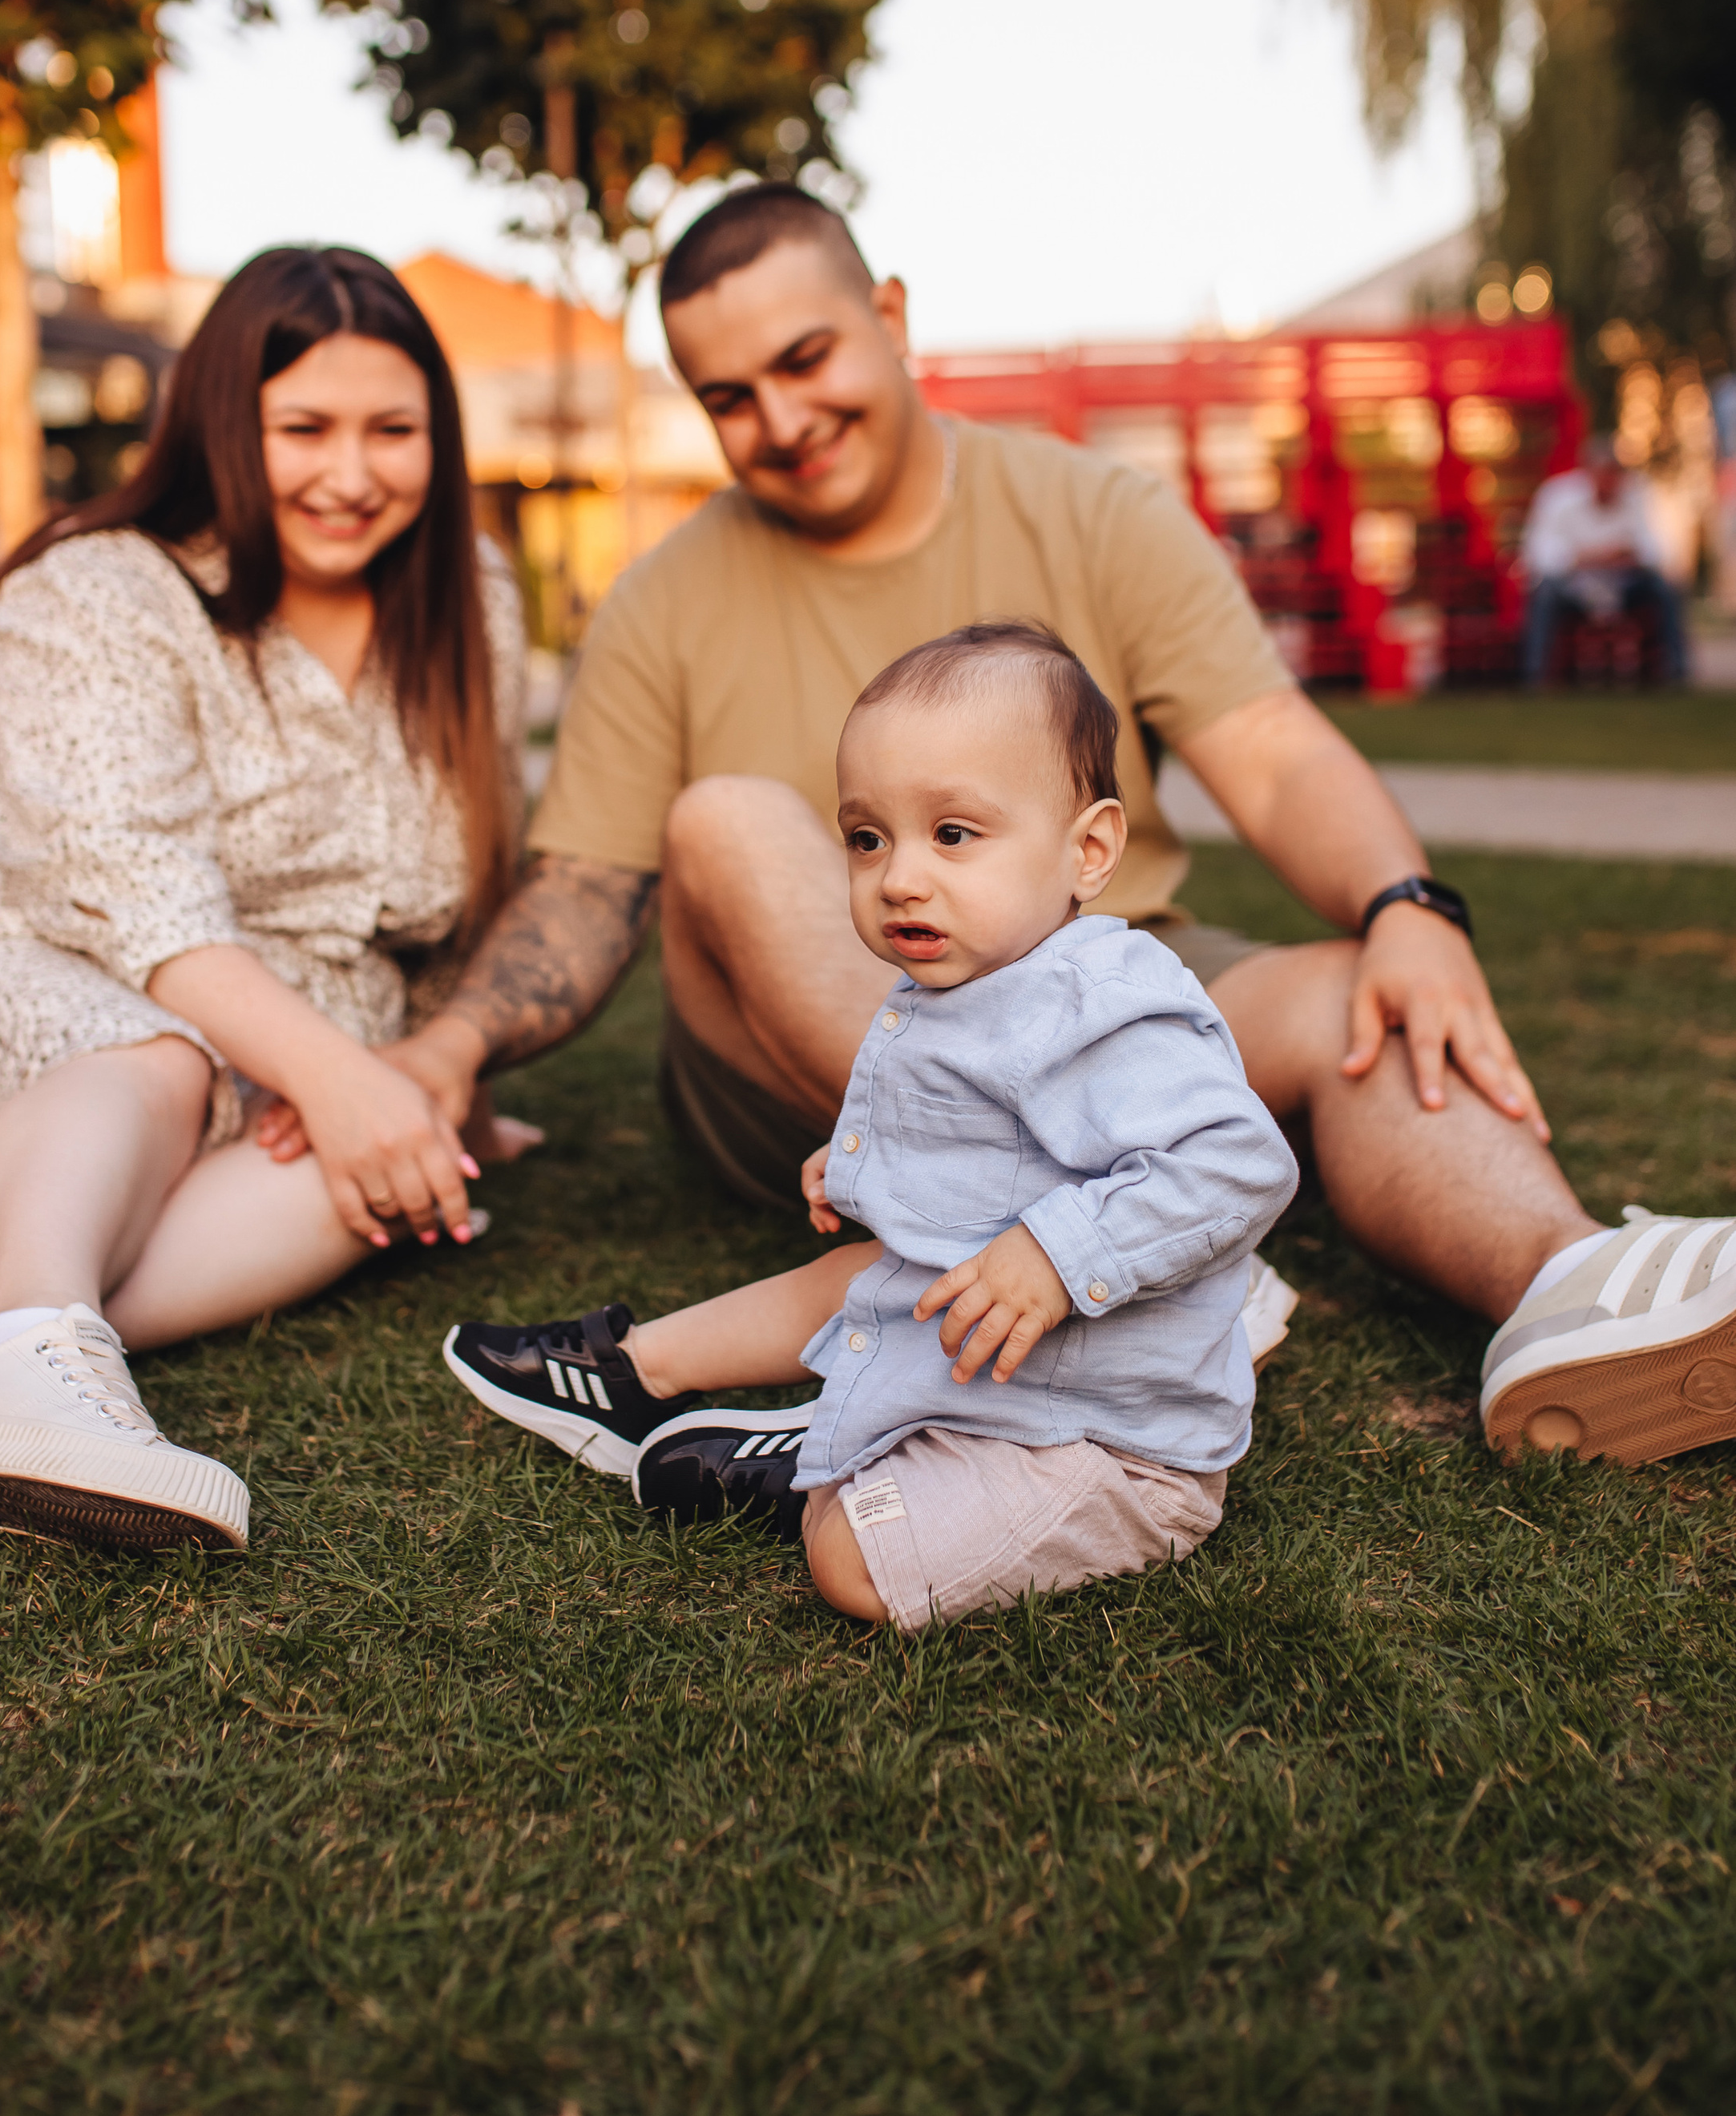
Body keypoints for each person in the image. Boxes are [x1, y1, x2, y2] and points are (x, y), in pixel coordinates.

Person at [392, 184, 1736, 1471]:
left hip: (1101, 976)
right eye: (730, 398)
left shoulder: (1096, 511)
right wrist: (452, 1047)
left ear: (894, 316)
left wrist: (1408, 908)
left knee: (1351, 996)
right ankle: (1125, 1243)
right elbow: (584, 886)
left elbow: (1265, 752)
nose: (784, 418)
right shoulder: (661, 601)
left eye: (807, 358)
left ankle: (1570, 1296)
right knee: (731, 822)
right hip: (827, 1063)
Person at [0, 246, 530, 1553]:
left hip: (285, 1027)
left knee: (372, 1176)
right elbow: (125, 888)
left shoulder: (469, 598)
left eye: (394, 430)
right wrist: (337, 1071)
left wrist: (421, 1067)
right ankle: (39, 1364)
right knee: (171, 1059)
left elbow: (459, 878)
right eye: (302, 428)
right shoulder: (97, 586)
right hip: (5, 956)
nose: (352, 472)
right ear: (220, 427)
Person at [445, 624, 1301, 1630]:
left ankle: (822, 1466)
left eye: (952, 835)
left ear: (1089, 850)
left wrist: (1056, 1255)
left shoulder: (1104, 1005)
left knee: (849, 1565)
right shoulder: (979, 970)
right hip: (1003, 1365)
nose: (899, 876)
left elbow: (1237, 1161)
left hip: (1102, 1445)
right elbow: (977, 1139)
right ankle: (634, 1375)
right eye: (866, 838)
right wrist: (859, 1162)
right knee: (855, 1276)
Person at [1520, 434, 1690, 684]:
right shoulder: (1557, 496)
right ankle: (1535, 674)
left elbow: (1655, 550)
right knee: (1544, 594)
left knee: (1666, 589)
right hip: (1573, 585)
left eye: (1615, 475)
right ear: (1588, 472)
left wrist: (1629, 556)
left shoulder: (1636, 496)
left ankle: (1674, 671)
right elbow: (1539, 554)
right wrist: (1593, 557)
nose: (1610, 482)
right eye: (1604, 474)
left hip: (1623, 583)